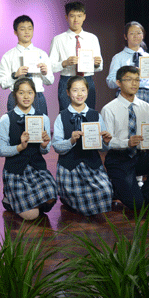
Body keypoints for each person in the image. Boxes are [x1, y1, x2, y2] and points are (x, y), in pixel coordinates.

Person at [101, 66, 149, 210]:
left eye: (137, 80)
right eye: (129, 80)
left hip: (140, 156)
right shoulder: (109, 109)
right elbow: (106, 142)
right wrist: (127, 143)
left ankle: (147, 197)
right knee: (136, 205)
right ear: (118, 83)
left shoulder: (146, 107)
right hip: (119, 159)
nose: (134, 83)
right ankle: (116, 188)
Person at [0, 77, 57, 220]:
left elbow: (45, 151)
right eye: (21, 93)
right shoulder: (6, 119)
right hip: (15, 169)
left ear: (35, 94)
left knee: (51, 194)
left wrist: (44, 145)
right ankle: (10, 198)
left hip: (36, 167)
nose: (26, 96)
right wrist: (20, 147)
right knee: (31, 215)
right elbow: (1, 150)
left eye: (30, 92)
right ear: (14, 95)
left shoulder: (43, 118)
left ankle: (27, 201)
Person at [52, 76, 114, 216]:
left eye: (83, 90)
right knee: (81, 201)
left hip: (92, 165)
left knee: (106, 192)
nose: (79, 94)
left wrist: (105, 142)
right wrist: (71, 141)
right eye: (75, 90)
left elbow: (102, 148)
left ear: (87, 91)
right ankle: (67, 199)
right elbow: (57, 147)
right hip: (69, 167)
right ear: (68, 92)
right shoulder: (61, 117)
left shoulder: (96, 115)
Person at [106, 21, 149, 150]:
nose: (136, 36)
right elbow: (110, 82)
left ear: (143, 35)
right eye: (132, 33)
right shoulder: (119, 57)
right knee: (127, 129)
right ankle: (127, 153)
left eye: (139, 33)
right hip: (125, 96)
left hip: (147, 96)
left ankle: (148, 155)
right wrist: (127, 76)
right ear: (125, 36)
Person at [49, 2, 103, 111]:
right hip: (67, 80)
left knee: (88, 113)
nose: (76, 20)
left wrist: (97, 64)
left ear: (84, 17)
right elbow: (50, 66)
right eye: (72, 16)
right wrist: (65, 63)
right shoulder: (58, 39)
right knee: (66, 114)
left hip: (87, 79)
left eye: (79, 16)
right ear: (66, 17)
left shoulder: (92, 38)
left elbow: (100, 67)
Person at [0, 14, 54, 115]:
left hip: (37, 96)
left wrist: (44, 73)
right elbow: (2, 83)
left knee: (39, 125)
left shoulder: (42, 54)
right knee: (16, 125)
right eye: (22, 29)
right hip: (16, 97)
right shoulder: (8, 56)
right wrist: (15, 75)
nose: (27, 32)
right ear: (15, 32)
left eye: (30, 28)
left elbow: (50, 81)